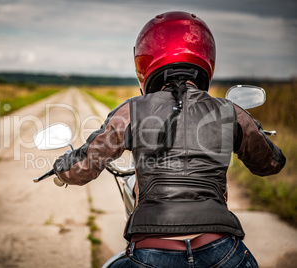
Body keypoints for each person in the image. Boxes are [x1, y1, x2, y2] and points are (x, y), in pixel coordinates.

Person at [53, 11, 285, 267]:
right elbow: (271, 163)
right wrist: (253, 131)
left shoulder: (132, 110)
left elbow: (86, 163)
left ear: (145, 58)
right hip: (223, 251)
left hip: (151, 251)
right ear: (206, 55)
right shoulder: (230, 112)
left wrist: (62, 168)